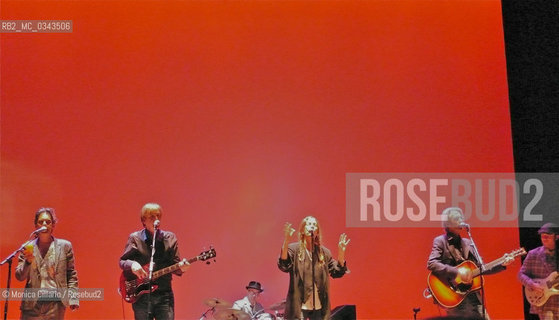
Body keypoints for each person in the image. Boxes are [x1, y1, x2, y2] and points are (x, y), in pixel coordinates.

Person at [427, 207, 514, 319]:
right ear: (448, 224)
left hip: (473, 295)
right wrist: (456, 272)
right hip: (454, 296)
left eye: (461, 219)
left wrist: (502, 264)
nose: (460, 222)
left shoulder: (468, 243)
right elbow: (432, 263)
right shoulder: (440, 241)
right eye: (456, 219)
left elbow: (481, 268)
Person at [119, 203, 189, 320]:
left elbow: (176, 265)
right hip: (141, 298)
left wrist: (182, 268)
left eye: (158, 216)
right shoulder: (135, 238)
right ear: (143, 220)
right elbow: (122, 261)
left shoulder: (170, 238)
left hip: (164, 295)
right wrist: (133, 265)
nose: (156, 220)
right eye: (151, 217)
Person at [278, 216, 350, 320]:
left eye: (314, 224)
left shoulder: (324, 253)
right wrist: (286, 241)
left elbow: (336, 272)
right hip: (299, 306)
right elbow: (284, 264)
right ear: (303, 229)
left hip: (319, 307)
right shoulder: (294, 249)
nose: (312, 226)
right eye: (309, 224)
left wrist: (341, 253)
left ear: (317, 231)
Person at [15, 207, 79, 320]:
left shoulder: (65, 246)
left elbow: (71, 274)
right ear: (36, 226)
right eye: (41, 222)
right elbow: (19, 276)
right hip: (31, 305)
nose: (44, 224)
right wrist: (27, 262)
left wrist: (73, 298)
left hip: (55, 304)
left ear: (53, 225)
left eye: (48, 222)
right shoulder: (27, 247)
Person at [518, 222, 559, 320]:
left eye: (547, 236)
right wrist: (531, 284)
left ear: (556, 237)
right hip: (545, 302)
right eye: (542, 236)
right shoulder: (533, 254)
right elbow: (521, 274)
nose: (544, 239)